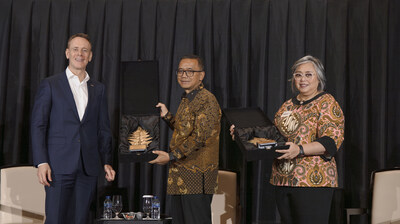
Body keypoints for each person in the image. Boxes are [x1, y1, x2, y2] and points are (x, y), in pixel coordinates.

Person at [230, 55, 345, 224]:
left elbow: (331, 140)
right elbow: (272, 137)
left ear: (319, 78)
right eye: (298, 74)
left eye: (308, 74)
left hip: (312, 183)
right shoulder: (287, 105)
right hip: (282, 180)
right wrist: (242, 135)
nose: (302, 79)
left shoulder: (326, 102)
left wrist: (299, 150)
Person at [31, 33, 116, 224]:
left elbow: (103, 128)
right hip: (57, 166)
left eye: (85, 50)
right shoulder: (51, 84)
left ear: (91, 56)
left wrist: (106, 161)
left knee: (81, 219)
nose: (80, 53)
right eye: (76, 49)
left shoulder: (98, 88)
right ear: (67, 53)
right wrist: (41, 161)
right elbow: (38, 126)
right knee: (56, 219)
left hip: (88, 167)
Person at [149, 55, 221, 224]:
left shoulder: (207, 100)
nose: (184, 75)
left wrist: (170, 156)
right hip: (180, 177)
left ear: (201, 75)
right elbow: (185, 131)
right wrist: (167, 116)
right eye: (180, 71)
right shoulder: (187, 99)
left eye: (190, 71)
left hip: (197, 177)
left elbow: (199, 137)